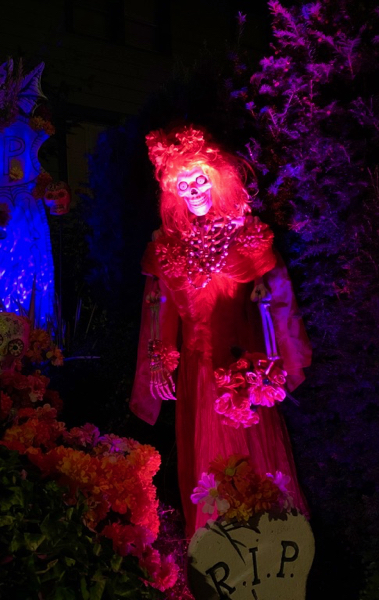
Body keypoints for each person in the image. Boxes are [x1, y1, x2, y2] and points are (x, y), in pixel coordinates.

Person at [130, 125, 312, 537]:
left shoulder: (246, 235)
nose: (193, 191)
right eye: (183, 185)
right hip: (197, 373)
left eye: (199, 180)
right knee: (208, 464)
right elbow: (158, 307)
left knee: (254, 459)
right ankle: (221, 550)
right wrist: (159, 359)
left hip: (244, 368)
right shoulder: (167, 245)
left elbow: (278, 301)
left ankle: (267, 547)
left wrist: (279, 360)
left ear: (218, 179)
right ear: (172, 193)